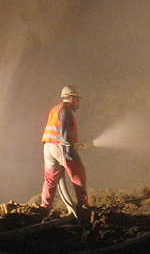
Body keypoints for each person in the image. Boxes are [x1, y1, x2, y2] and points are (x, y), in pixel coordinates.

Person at [40, 85, 88, 213]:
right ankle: (82, 205)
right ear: (72, 98)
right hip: (60, 146)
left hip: (48, 147)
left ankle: (44, 207)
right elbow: (64, 131)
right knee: (78, 173)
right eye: (78, 100)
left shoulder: (55, 109)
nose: (79, 103)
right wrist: (68, 150)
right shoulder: (66, 109)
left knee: (50, 179)